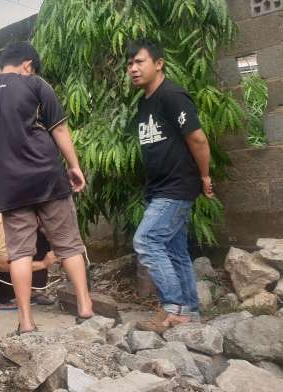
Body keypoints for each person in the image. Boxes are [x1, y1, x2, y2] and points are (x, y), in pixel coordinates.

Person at [0, 42, 95, 334]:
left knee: (20, 253)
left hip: (10, 189)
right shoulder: (36, 84)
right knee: (68, 243)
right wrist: (74, 166)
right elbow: (59, 129)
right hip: (47, 178)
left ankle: (26, 323)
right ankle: (85, 308)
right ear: (27, 65)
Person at [127, 39, 213, 333]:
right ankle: (189, 313)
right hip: (159, 188)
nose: (133, 68)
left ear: (159, 63)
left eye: (140, 62)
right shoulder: (145, 102)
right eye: (130, 64)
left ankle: (172, 308)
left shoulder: (172, 95)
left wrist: (204, 177)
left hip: (177, 186)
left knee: (147, 241)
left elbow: (198, 139)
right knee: (176, 251)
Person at [0, 215, 55, 310]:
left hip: (7, 259)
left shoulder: (28, 219)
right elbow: (3, 265)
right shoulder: (7, 223)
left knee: (41, 237)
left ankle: (30, 291)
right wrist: (43, 264)